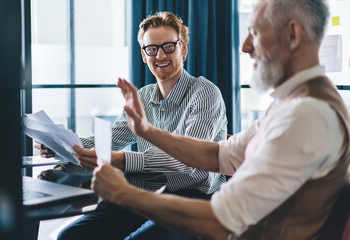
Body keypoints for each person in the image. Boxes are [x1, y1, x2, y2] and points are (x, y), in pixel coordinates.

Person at [92, 0, 350, 239]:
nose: (244, 46)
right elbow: (220, 154)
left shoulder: (306, 115)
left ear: (292, 35)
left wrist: (124, 193)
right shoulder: (291, 102)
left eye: (255, 33)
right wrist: (147, 131)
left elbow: (220, 220)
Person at [37, 11, 227, 240]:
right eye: (152, 49)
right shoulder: (144, 96)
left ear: (183, 49)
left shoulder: (205, 92)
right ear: (144, 55)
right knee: (70, 236)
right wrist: (63, 149)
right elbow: (112, 139)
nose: (160, 55)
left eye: (169, 47)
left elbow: (187, 161)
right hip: (144, 193)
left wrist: (120, 160)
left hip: (193, 197)